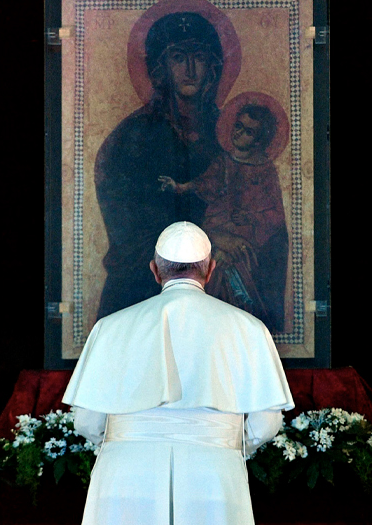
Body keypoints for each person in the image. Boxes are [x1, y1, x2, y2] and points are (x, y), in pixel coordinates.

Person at [62, 221, 294, 525]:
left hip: (126, 477)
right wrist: (224, 444)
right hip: (212, 477)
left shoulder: (111, 328)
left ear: (154, 270)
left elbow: (88, 423)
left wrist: (128, 442)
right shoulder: (248, 329)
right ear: (211, 269)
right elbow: (265, 424)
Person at [94, 11, 226, 319]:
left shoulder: (229, 130)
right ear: (161, 68)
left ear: (213, 67)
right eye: (179, 58)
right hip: (145, 285)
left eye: (199, 58)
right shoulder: (132, 136)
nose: (190, 69)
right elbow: (125, 224)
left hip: (213, 281)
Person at [158, 100, 288, 331]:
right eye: (238, 126)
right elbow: (204, 183)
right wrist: (179, 187)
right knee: (215, 262)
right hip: (217, 227)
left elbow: (275, 214)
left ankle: (238, 323)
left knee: (235, 261)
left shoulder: (266, 170)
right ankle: (210, 324)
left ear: (259, 140)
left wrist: (251, 219)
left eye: (248, 132)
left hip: (248, 236)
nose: (239, 133)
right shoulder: (224, 162)